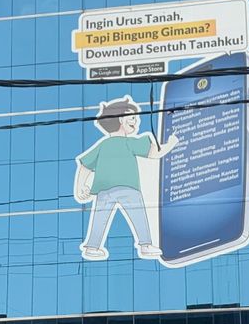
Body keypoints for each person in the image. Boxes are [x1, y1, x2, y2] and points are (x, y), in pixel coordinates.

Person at [74, 96, 178, 261]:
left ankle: (92, 247)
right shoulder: (130, 143)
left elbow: (85, 166)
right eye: (133, 118)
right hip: (128, 187)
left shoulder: (103, 145)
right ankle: (145, 245)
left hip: (104, 189)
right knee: (138, 214)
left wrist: (80, 188)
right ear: (121, 119)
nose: (136, 122)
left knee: (100, 216)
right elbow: (156, 153)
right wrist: (171, 143)